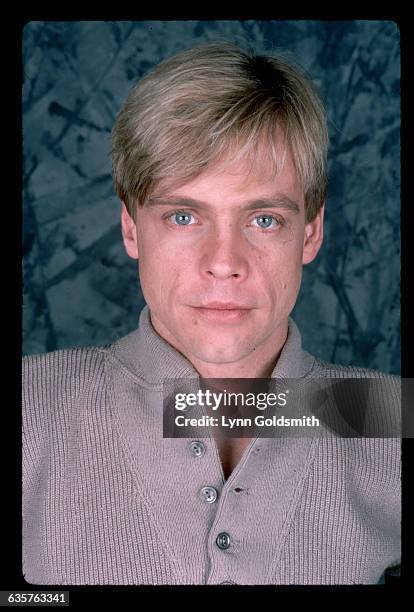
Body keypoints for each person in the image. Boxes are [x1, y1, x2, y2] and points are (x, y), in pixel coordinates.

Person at [22, 40, 400, 586]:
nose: (224, 263)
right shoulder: (32, 405)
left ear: (311, 232)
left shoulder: (386, 419)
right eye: (183, 217)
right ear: (131, 228)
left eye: (264, 220)